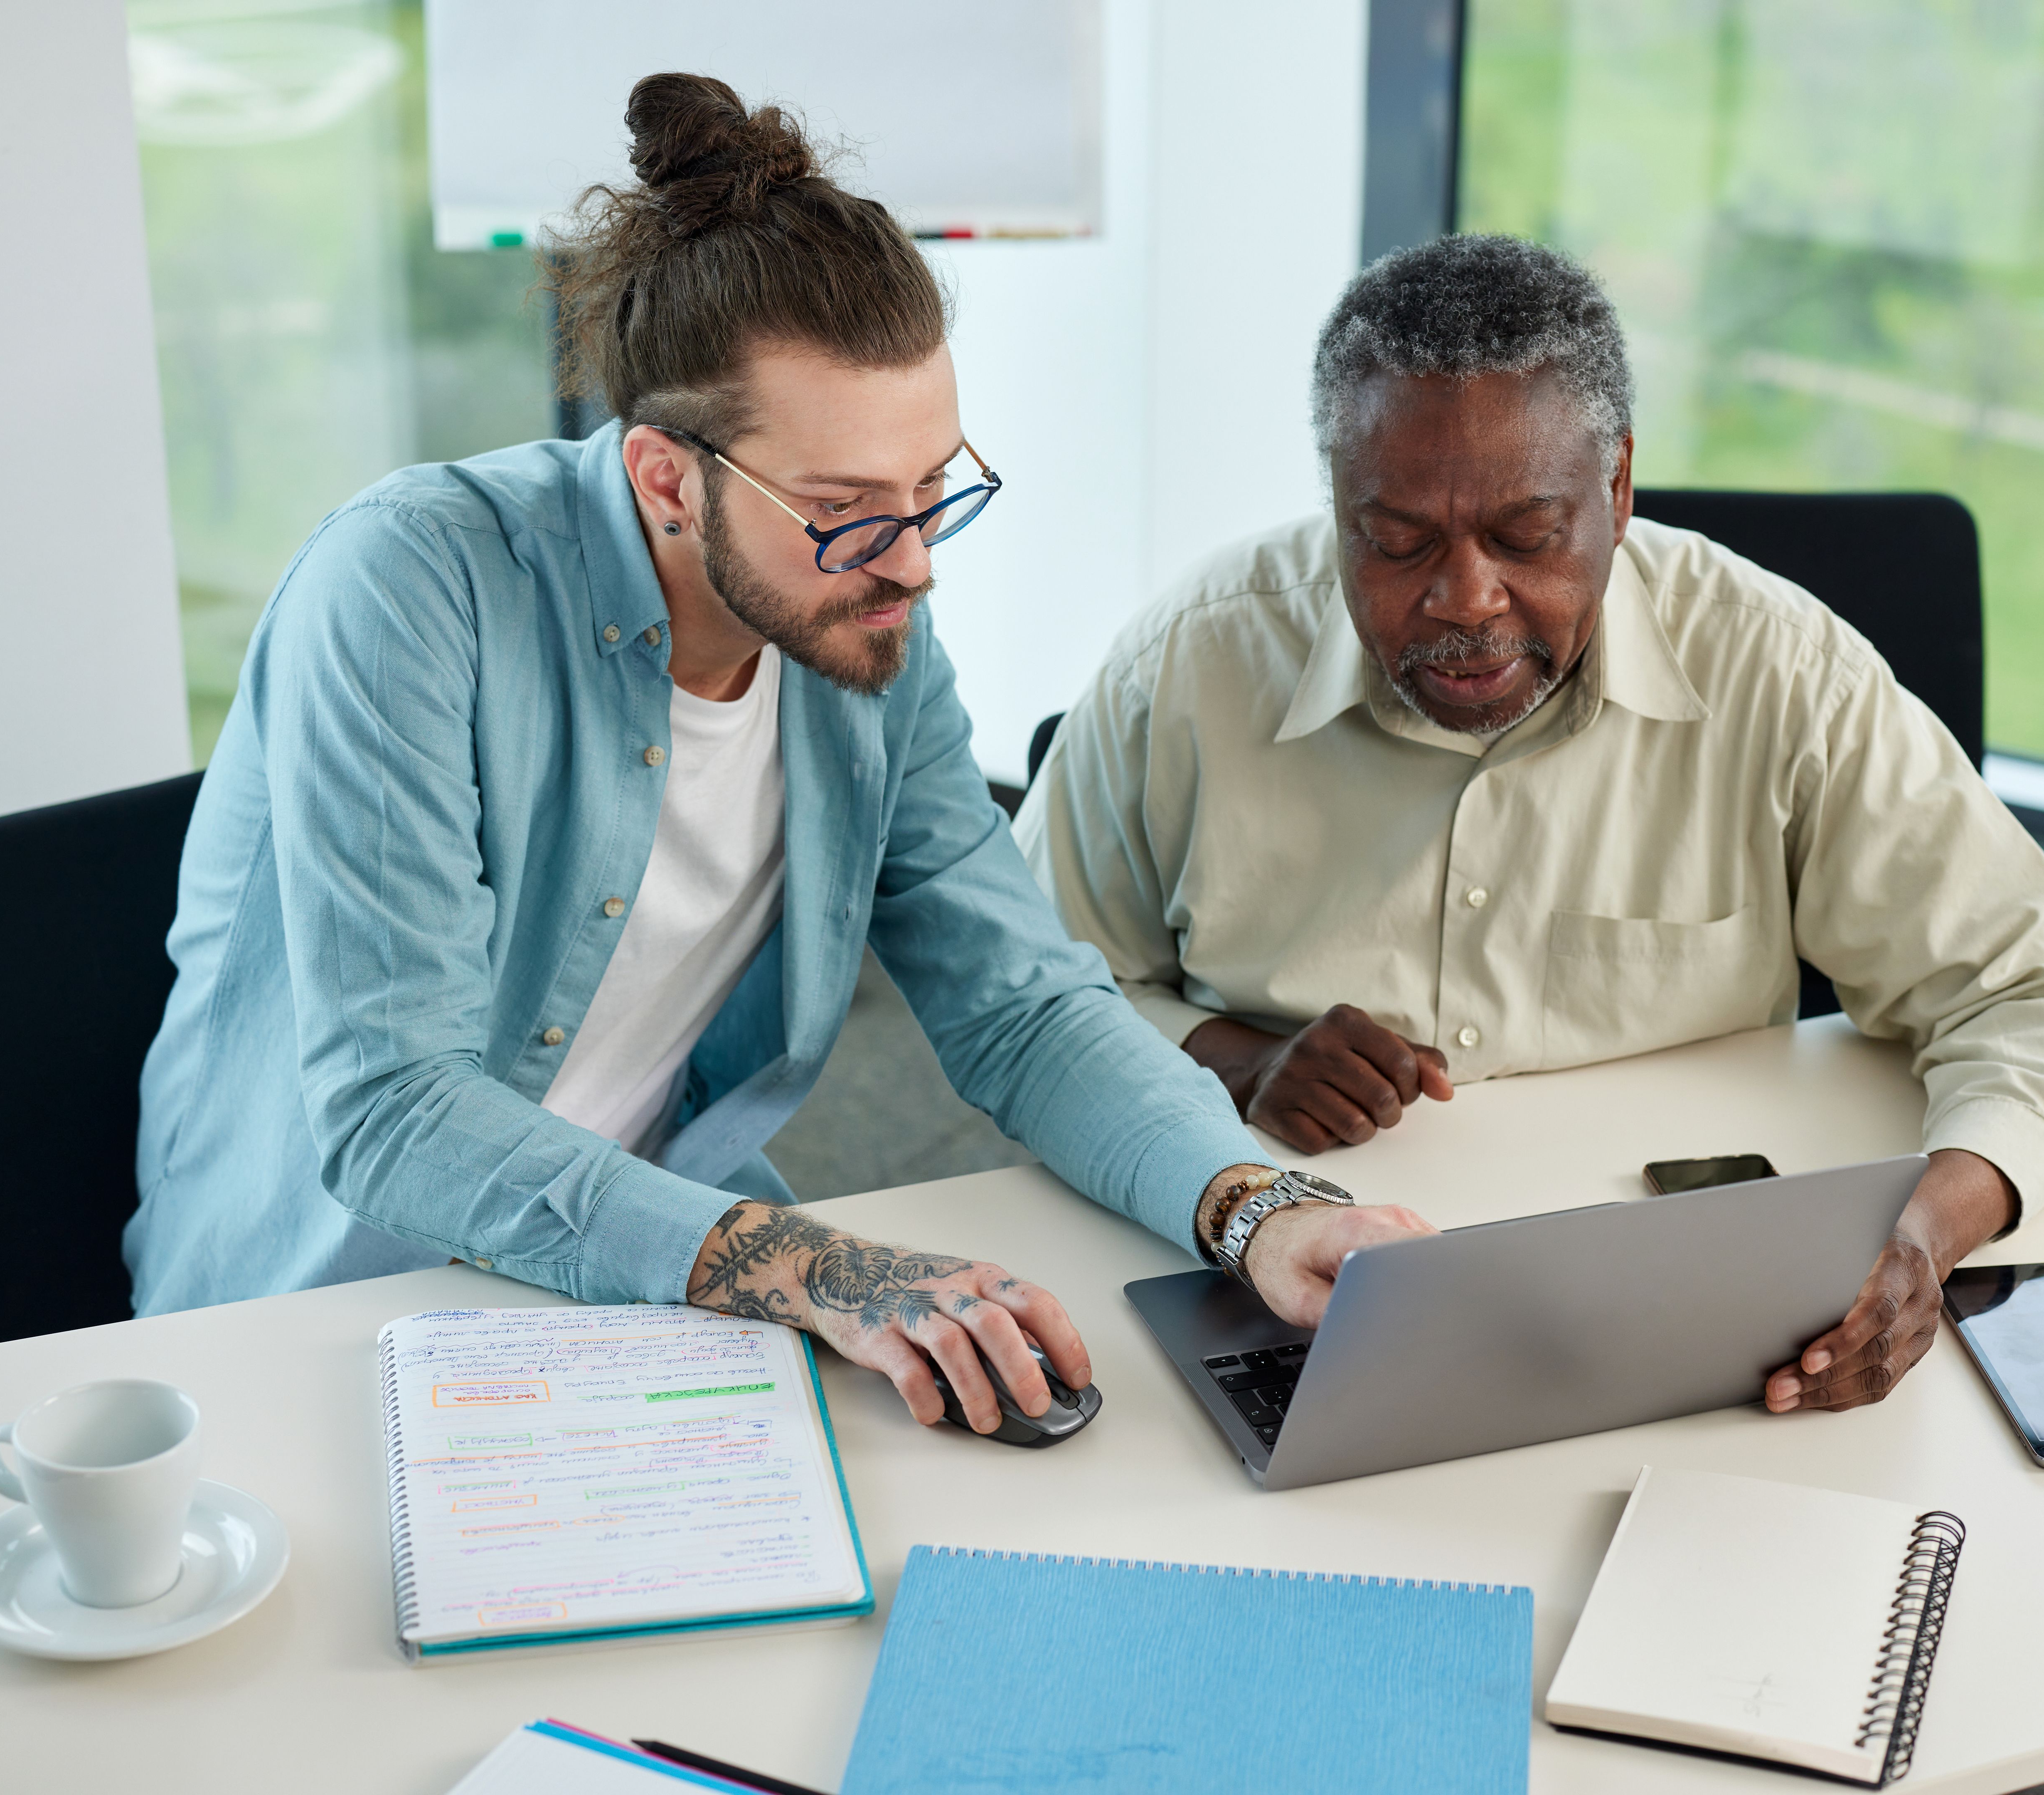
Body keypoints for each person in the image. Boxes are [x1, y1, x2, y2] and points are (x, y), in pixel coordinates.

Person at [128, 74, 1422, 1434]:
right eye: (848, 509)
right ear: (667, 480)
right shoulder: (405, 588)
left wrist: (1258, 1209)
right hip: (321, 1318)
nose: (915, 564)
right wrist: (819, 1269)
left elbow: (1021, 1004)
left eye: (933, 490)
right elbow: (396, 1109)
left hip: (644, 1272)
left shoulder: (859, 623)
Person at [1017, 234, 2044, 1416]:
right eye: (1398, 540)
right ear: (1338, 503)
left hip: (1697, 1321)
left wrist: (1922, 1240)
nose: (1465, 600)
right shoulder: (1188, 665)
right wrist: (1238, 1062)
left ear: (1616, 489)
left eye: (1524, 536)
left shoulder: (1778, 667)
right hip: (1284, 1273)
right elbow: (1032, 1008)